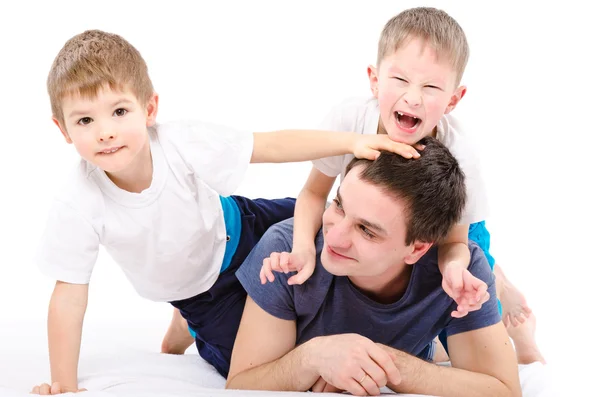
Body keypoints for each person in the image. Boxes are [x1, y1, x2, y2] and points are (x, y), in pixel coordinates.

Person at [30, 29, 413, 395]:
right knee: (258, 363)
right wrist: (63, 381)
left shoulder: (178, 141)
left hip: (244, 226)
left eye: (118, 111)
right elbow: (68, 294)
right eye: (84, 120)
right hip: (204, 291)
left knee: (341, 229)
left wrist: (352, 141)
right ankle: (189, 328)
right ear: (63, 129)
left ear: (149, 109)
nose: (105, 132)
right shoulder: (78, 202)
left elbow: (268, 147)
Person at [261, 6, 531, 329]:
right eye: (400, 79)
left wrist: (455, 267)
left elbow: (455, 242)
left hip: (453, 228)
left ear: (453, 100)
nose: (413, 97)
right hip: (389, 229)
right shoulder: (350, 120)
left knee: (472, 295)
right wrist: (303, 246)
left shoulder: (460, 152)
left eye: (431, 87)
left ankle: (505, 293)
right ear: (374, 81)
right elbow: (313, 193)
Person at [228, 137, 522, 396]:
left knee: (433, 351)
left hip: (415, 345)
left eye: (367, 230)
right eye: (339, 205)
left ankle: (517, 326)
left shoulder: (457, 274)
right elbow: (241, 382)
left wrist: (376, 360)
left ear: (418, 248)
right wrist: (313, 356)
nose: (336, 236)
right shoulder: (284, 252)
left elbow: (503, 390)